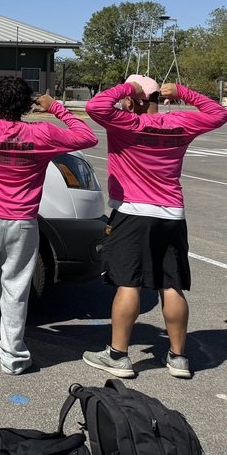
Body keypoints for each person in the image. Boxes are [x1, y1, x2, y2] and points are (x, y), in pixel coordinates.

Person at [0, 78, 98, 374]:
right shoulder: (43, 133)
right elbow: (87, 136)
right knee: (16, 289)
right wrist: (56, 108)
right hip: (23, 221)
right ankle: (13, 356)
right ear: (27, 105)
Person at [82, 74, 227, 380]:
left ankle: (118, 355)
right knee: (171, 284)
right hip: (171, 213)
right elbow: (219, 113)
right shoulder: (180, 123)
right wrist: (184, 92)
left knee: (128, 282)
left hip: (133, 212)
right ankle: (178, 357)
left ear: (132, 100)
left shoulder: (125, 123)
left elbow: (95, 106)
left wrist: (128, 88)